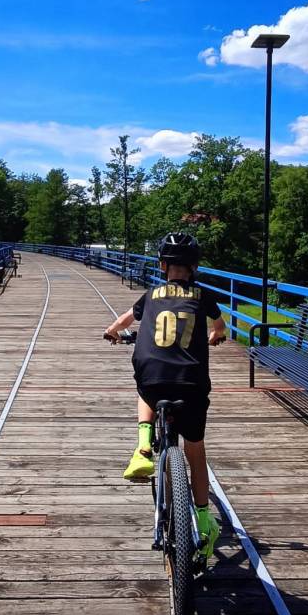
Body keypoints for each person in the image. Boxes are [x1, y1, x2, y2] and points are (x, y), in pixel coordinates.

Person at [104, 232, 225, 558]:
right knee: (195, 452)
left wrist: (112, 331)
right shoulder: (203, 295)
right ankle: (204, 520)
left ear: (162, 266)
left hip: (154, 378)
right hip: (192, 383)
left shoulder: (151, 294)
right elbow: (219, 327)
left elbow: (125, 319)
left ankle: (143, 446)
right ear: (194, 267)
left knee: (145, 388)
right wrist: (215, 336)